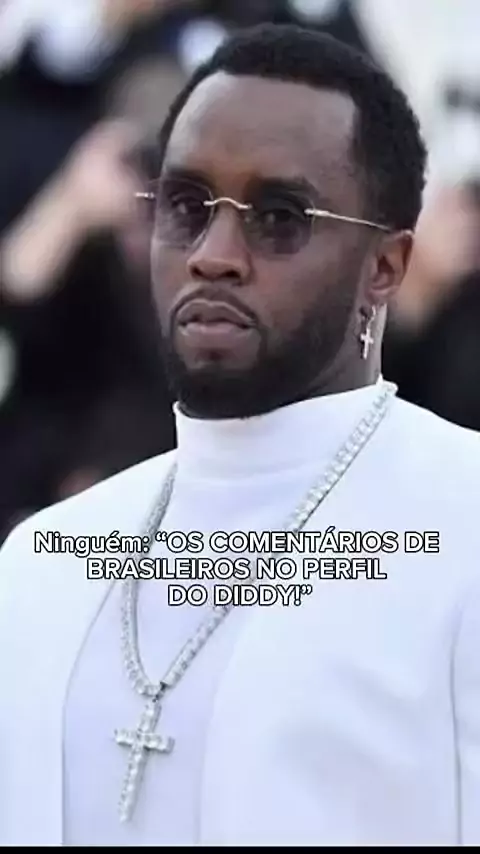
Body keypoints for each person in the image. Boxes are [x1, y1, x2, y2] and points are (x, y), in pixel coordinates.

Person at [0, 22, 479, 847]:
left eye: (280, 217)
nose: (213, 256)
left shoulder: (464, 522)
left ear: (385, 267)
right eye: (186, 207)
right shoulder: (45, 558)